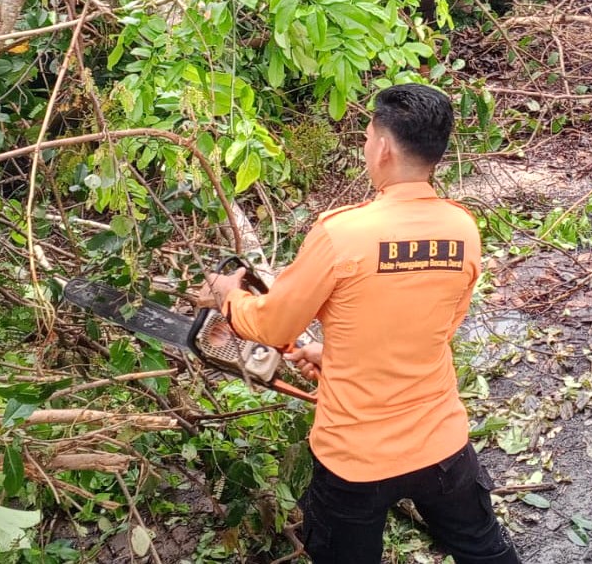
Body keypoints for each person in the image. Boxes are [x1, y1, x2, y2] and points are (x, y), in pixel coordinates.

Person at [200, 84, 520, 564]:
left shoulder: (340, 234)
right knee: (483, 550)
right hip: (441, 444)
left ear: (385, 148)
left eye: (368, 137)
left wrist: (228, 299)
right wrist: (335, 356)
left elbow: (271, 327)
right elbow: (430, 333)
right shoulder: (462, 230)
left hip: (355, 458)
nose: (367, 147)